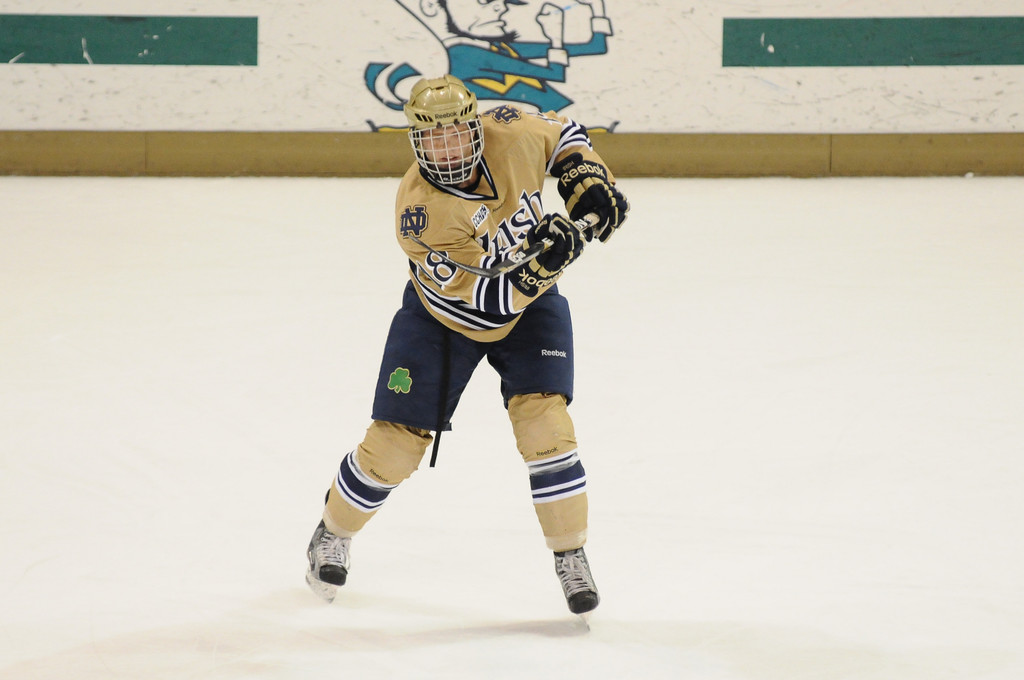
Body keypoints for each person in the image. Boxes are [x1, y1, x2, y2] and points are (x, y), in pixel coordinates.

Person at [305, 74, 628, 615]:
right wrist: (549, 261)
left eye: (456, 134)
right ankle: (333, 529)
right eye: (432, 140)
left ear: (475, 127)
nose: (446, 149)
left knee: (547, 427)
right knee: (395, 445)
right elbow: (489, 303)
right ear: (415, 141)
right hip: (445, 317)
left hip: (532, 302)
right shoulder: (420, 215)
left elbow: (566, 133)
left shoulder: (511, 128)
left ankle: (570, 554)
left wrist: (584, 178)